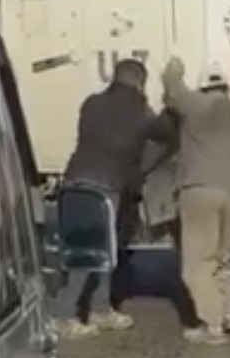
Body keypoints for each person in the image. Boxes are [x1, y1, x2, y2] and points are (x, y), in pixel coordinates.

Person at [60, 58, 175, 339]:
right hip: (108, 184)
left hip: (74, 178)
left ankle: (98, 307)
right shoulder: (141, 111)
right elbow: (168, 135)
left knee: (87, 246)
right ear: (140, 82)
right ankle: (66, 315)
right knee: (99, 249)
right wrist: (145, 168)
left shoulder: (91, 103)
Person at [162, 56, 230, 346]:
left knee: (200, 261)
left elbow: (172, 87)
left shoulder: (192, 104)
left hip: (201, 190)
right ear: (227, 88)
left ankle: (211, 324)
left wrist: (174, 66)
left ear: (203, 87)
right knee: (228, 257)